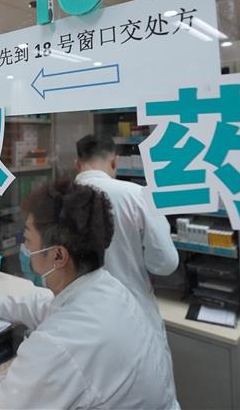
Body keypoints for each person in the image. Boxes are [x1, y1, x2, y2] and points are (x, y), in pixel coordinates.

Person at [0, 179, 178, 409]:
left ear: (58, 255)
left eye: (27, 240)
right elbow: (48, 306)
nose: (24, 248)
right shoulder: (109, 290)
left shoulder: (60, 345)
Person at [74, 134, 178, 334]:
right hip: (131, 314)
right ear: (115, 162)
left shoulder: (58, 199)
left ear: (77, 164)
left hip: (80, 315)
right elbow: (166, 262)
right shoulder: (137, 195)